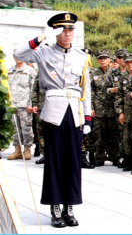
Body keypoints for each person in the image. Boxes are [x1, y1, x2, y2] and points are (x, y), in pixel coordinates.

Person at [14, 12, 91, 228]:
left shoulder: (82, 56)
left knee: (74, 164)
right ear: (56, 31)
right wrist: (41, 37)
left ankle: (70, 207)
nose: (68, 33)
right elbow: (18, 53)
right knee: (55, 162)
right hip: (54, 113)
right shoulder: (43, 52)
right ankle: (55, 207)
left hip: (74, 114)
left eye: (71, 29)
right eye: (63, 30)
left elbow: (86, 90)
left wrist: (87, 118)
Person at [90, 49, 119, 166]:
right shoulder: (93, 73)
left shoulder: (115, 73)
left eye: (105, 58)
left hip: (112, 108)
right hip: (98, 109)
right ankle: (99, 158)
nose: (103, 60)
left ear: (110, 60)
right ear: (97, 60)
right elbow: (90, 92)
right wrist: (91, 107)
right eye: (100, 58)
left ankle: (115, 157)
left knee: (113, 135)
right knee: (98, 135)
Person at [7, 53, 37, 160]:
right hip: (12, 104)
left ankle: (27, 150)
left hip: (25, 104)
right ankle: (17, 150)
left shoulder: (30, 71)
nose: (18, 58)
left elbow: (33, 89)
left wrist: (31, 104)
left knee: (26, 128)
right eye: (16, 56)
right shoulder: (10, 70)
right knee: (15, 129)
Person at [115, 53, 132, 172]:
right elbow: (119, 96)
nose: (130, 64)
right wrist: (120, 112)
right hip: (127, 112)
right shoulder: (123, 78)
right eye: (128, 62)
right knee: (127, 138)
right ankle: (130, 160)